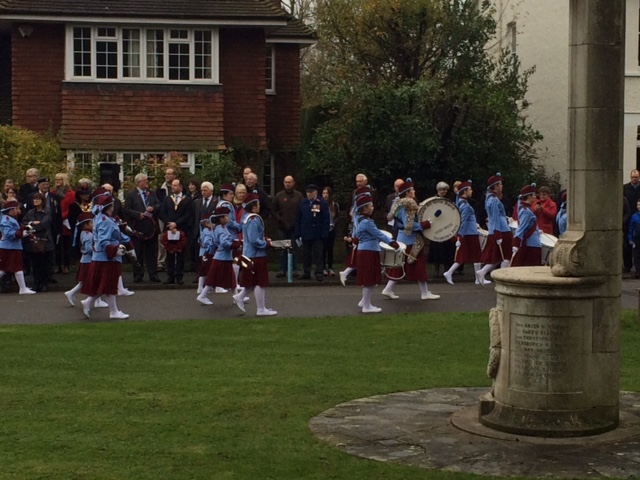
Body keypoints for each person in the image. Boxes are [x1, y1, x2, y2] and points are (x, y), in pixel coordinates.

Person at [381, 178, 440, 301]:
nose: (414, 191)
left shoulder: (398, 203)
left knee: (399, 266)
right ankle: (424, 293)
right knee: (419, 267)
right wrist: (424, 225)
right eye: (412, 189)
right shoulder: (408, 205)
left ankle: (388, 289)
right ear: (407, 192)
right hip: (411, 240)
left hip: (402, 238)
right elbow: (409, 225)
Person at [80, 195, 133, 319]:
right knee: (109, 284)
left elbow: (116, 235)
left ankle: (90, 302)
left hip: (102, 257)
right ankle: (113, 311)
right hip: (107, 258)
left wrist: (129, 244)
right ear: (110, 207)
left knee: (105, 284)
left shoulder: (101, 218)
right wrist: (115, 250)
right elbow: (104, 241)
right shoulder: (105, 220)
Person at [353, 194, 399, 313]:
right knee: (369, 279)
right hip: (368, 252)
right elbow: (379, 234)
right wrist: (392, 243)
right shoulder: (367, 223)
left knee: (369, 279)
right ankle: (367, 306)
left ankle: (364, 301)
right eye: (371, 206)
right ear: (364, 208)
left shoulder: (361, 220)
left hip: (366, 251)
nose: (373, 207)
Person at [232, 191, 276, 316]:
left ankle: (240, 297)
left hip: (249, 254)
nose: (259, 206)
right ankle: (261, 309)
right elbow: (254, 239)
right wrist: (266, 244)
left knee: (251, 282)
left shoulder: (246, 218)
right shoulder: (253, 220)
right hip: (256, 255)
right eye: (257, 204)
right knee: (260, 283)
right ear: (253, 206)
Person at [443, 181, 487, 285]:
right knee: (471, 256)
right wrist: (459, 235)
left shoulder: (462, 203)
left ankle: (477, 278)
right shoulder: (466, 206)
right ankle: (450, 272)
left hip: (469, 232)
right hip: (469, 234)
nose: (471, 191)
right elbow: (462, 222)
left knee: (469, 256)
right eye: (470, 189)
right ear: (465, 191)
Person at [197, 206, 241, 305]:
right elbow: (224, 243)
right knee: (213, 278)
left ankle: (237, 296)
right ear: (221, 219)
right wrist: (235, 245)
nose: (228, 218)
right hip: (222, 257)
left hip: (223, 257)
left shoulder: (218, 228)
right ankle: (202, 295)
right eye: (226, 216)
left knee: (231, 278)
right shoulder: (221, 229)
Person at [124, 173, 161, 283]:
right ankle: (138, 274)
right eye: (145, 181)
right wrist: (138, 214)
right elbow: (127, 209)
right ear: (139, 182)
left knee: (151, 253)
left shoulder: (152, 193)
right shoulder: (131, 195)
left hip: (151, 228)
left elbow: (159, 205)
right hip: (138, 228)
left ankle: (153, 274)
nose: (147, 182)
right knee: (138, 252)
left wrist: (153, 208)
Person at [476, 173, 513, 285]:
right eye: (500, 184)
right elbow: (496, 218)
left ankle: (482, 271)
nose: (502, 186)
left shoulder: (490, 198)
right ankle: (503, 278)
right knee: (506, 255)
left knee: (497, 256)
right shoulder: (494, 200)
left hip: (497, 229)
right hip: (501, 230)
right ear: (496, 186)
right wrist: (498, 234)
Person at [159, 178, 193, 284]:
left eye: (175, 185)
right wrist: (169, 224)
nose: (172, 187)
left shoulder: (187, 199)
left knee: (180, 253)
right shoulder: (168, 199)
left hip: (181, 229)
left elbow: (188, 214)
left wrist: (176, 224)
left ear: (180, 187)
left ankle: (179, 275)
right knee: (169, 252)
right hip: (169, 229)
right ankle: (170, 275)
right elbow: (162, 212)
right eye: (172, 185)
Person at [295, 184, 330, 282]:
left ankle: (319, 273)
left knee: (318, 254)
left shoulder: (321, 202)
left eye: (311, 192)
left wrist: (324, 233)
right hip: (305, 233)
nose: (309, 194)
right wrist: (298, 232)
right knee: (306, 255)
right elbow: (298, 218)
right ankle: (306, 272)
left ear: (315, 192)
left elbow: (326, 219)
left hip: (317, 233)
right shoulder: (303, 203)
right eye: (307, 192)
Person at [0, 200, 36, 294]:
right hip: (9, 247)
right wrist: (21, 234)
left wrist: (25, 231)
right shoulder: (6, 220)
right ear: (10, 210)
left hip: (13, 247)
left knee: (15, 267)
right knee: (5, 268)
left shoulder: (11, 219)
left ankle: (23, 288)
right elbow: (8, 234)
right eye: (16, 208)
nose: (17, 210)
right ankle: (23, 288)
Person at [22, 193, 55, 292]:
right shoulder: (30, 212)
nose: (36, 201)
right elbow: (24, 222)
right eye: (34, 199)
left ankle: (44, 283)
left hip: (45, 241)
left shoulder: (47, 212)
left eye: (38, 199)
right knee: (35, 264)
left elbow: (44, 224)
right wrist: (32, 223)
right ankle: (37, 283)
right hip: (33, 241)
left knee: (44, 263)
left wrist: (33, 226)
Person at [272, 175, 303, 278]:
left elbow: (302, 211)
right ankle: (282, 269)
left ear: (293, 183)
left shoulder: (299, 196)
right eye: (286, 182)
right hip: (282, 227)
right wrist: (279, 219)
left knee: (294, 248)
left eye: (289, 182)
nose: (287, 184)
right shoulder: (278, 196)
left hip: (295, 227)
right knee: (282, 249)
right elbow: (273, 210)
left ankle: (293, 270)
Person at [428, 181, 456, 277]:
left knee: (446, 250)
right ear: (438, 190)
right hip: (436, 228)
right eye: (443, 190)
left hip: (446, 228)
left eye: (446, 190)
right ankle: (436, 270)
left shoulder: (449, 201)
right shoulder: (433, 200)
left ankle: (446, 270)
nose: (445, 192)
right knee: (436, 250)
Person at [511, 184, 542, 267]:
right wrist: (516, 244)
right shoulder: (526, 211)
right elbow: (521, 228)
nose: (535, 196)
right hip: (531, 244)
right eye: (534, 195)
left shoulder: (526, 209)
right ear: (529, 196)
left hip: (532, 242)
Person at [191, 181, 217, 280]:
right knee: (199, 255)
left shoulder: (216, 202)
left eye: (205, 190)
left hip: (211, 232)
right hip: (199, 232)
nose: (203, 192)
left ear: (211, 191)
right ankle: (199, 274)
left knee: (210, 255)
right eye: (202, 190)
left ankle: (210, 275)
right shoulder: (197, 202)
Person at [156, 167, 180, 272]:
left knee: (176, 239)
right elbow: (158, 205)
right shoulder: (161, 189)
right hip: (163, 218)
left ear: (174, 176)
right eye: (166, 174)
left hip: (176, 219)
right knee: (162, 239)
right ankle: (161, 262)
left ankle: (174, 262)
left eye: (169, 174)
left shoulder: (178, 189)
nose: (167, 176)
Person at [623, 170, 640, 273]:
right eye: (633, 177)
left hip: (638, 218)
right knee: (626, 244)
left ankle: (638, 268)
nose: (635, 179)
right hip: (628, 219)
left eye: (636, 177)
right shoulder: (625, 188)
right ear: (630, 177)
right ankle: (627, 266)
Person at [322, 186, 340, 276]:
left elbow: (337, 217)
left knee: (330, 249)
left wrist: (334, 224)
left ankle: (330, 267)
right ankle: (323, 267)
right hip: (323, 230)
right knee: (323, 249)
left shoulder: (334, 205)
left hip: (331, 230)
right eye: (324, 193)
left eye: (327, 193)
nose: (325, 195)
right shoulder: (320, 204)